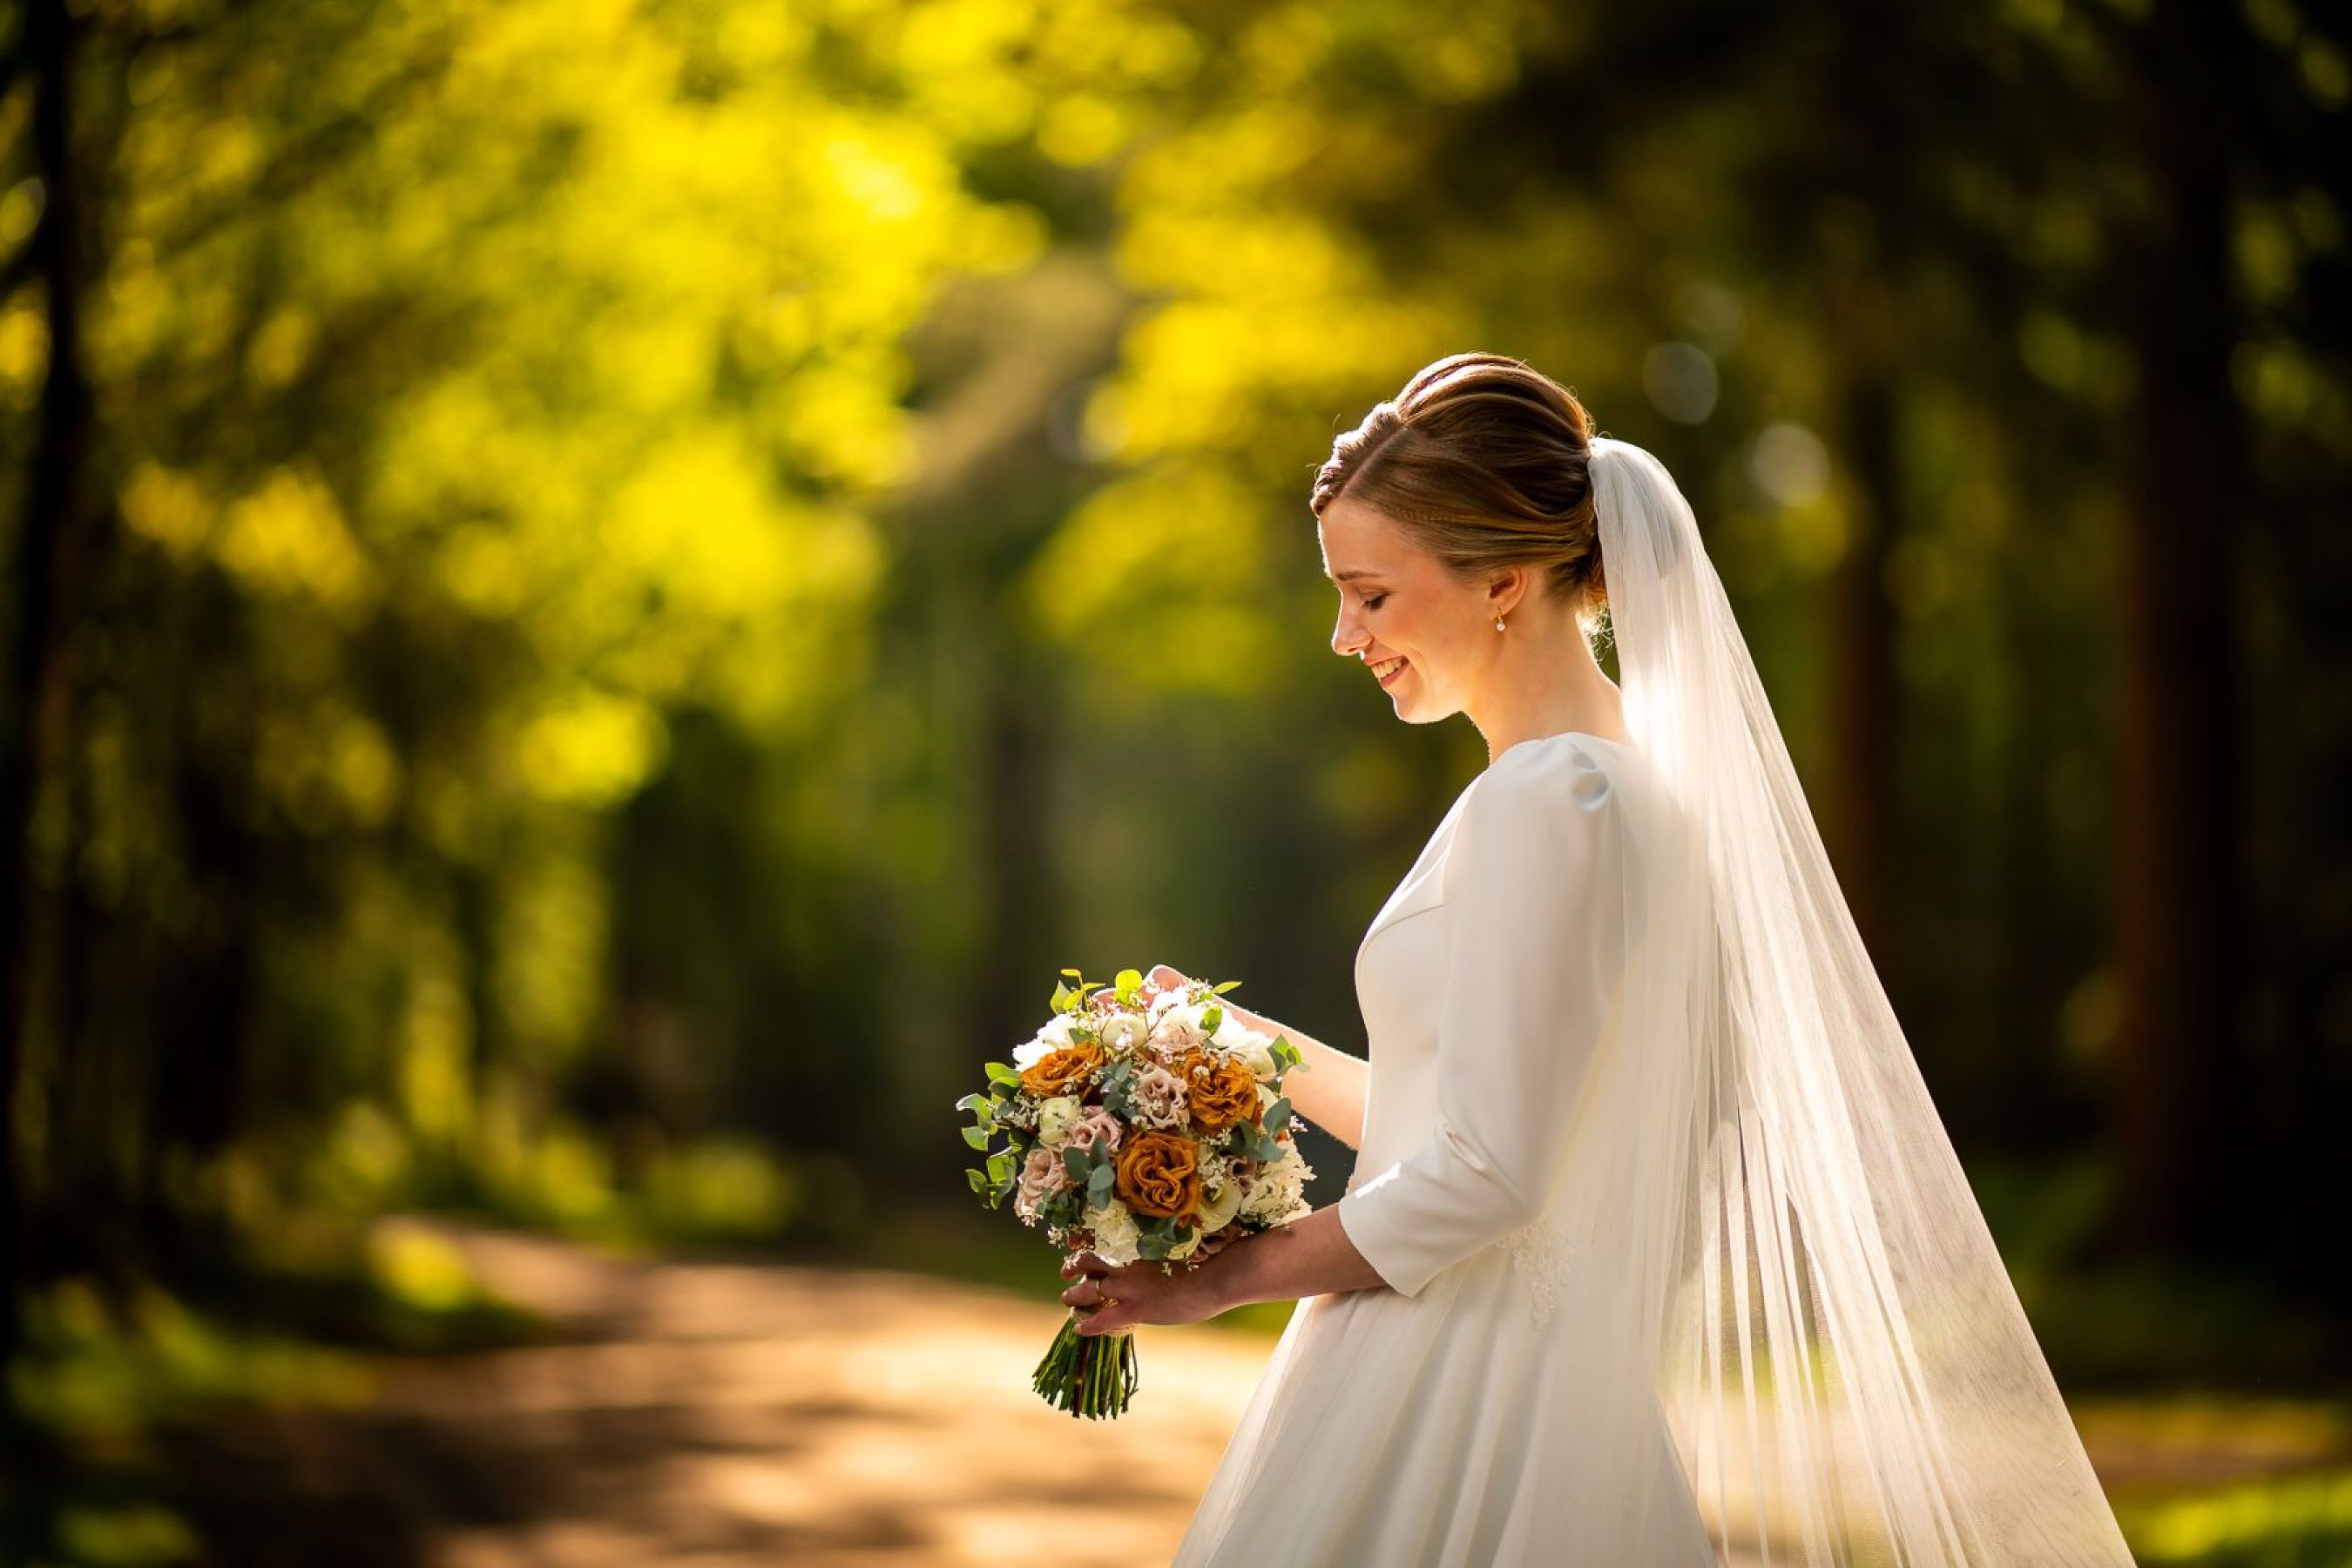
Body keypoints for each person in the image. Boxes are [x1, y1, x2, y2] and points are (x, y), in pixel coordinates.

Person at [1058, 354, 2134, 1565]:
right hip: (1523, 1372)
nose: (1342, 636)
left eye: (1369, 594)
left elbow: (1487, 1176)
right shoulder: (1619, 788)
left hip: (1459, 1393)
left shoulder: (1551, 797)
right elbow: (1464, 1127)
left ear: (1505, 580)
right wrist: (1237, 1043)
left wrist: (1216, 1281)